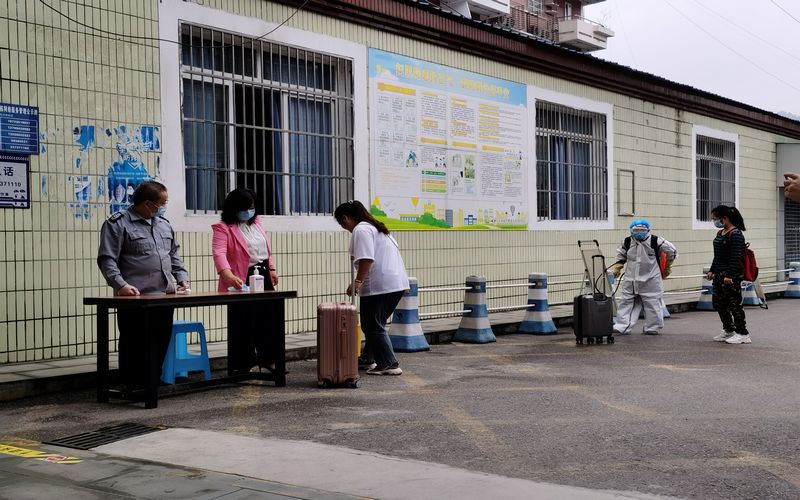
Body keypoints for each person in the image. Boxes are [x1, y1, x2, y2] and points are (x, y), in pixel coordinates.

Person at [97, 180, 190, 387]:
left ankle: (152, 381)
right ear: (148, 204)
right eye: (162, 203)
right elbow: (107, 259)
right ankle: (132, 383)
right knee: (134, 341)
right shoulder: (118, 223)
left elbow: (173, 254)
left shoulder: (163, 224)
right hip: (135, 297)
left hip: (163, 295)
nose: (164, 207)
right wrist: (120, 285)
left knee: (161, 338)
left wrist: (182, 278)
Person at [334, 200, 409, 376]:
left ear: (345, 218)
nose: (344, 228)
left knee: (372, 325)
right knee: (375, 323)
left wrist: (358, 281)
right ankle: (369, 358)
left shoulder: (361, 229)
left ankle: (389, 363)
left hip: (379, 285)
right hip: (395, 283)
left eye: (342, 224)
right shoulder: (376, 227)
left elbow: (366, 258)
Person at [212, 188, 281, 374]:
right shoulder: (223, 227)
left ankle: (269, 359)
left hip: (262, 273)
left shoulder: (257, 222)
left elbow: (266, 249)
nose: (249, 211)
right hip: (240, 278)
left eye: (252, 207)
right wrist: (227, 274)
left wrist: (272, 268)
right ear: (234, 208)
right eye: (245, 208)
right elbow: (219, 253)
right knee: (243, 320)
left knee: (268, 318)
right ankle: (241, 364)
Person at [610, 219, 677, 335]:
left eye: (642, 230)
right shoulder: (627, 242)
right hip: (631, 279)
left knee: (652, 303)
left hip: (651, 279)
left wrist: (667, 266)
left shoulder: (656, 241)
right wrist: (618, 267)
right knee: (626, 302)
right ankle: (622, 326)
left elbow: (672, 251)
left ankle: (652, 327)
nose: (639, 232)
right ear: (631, 231)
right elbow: (621, 255)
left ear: (648, 230)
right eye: (636, 230)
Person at [708, 205, 751, 344]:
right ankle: (728, 330)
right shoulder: (720, 233)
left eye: (715, 218)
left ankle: (742, 333)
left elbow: (736, 257)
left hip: (730, 275)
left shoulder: (736, 234)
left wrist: (730, 275)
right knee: (719, 303)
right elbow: (717, 256)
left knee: (734, 304)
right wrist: (712, 270)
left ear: (724, 218)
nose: (714, 221)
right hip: (719, 274)